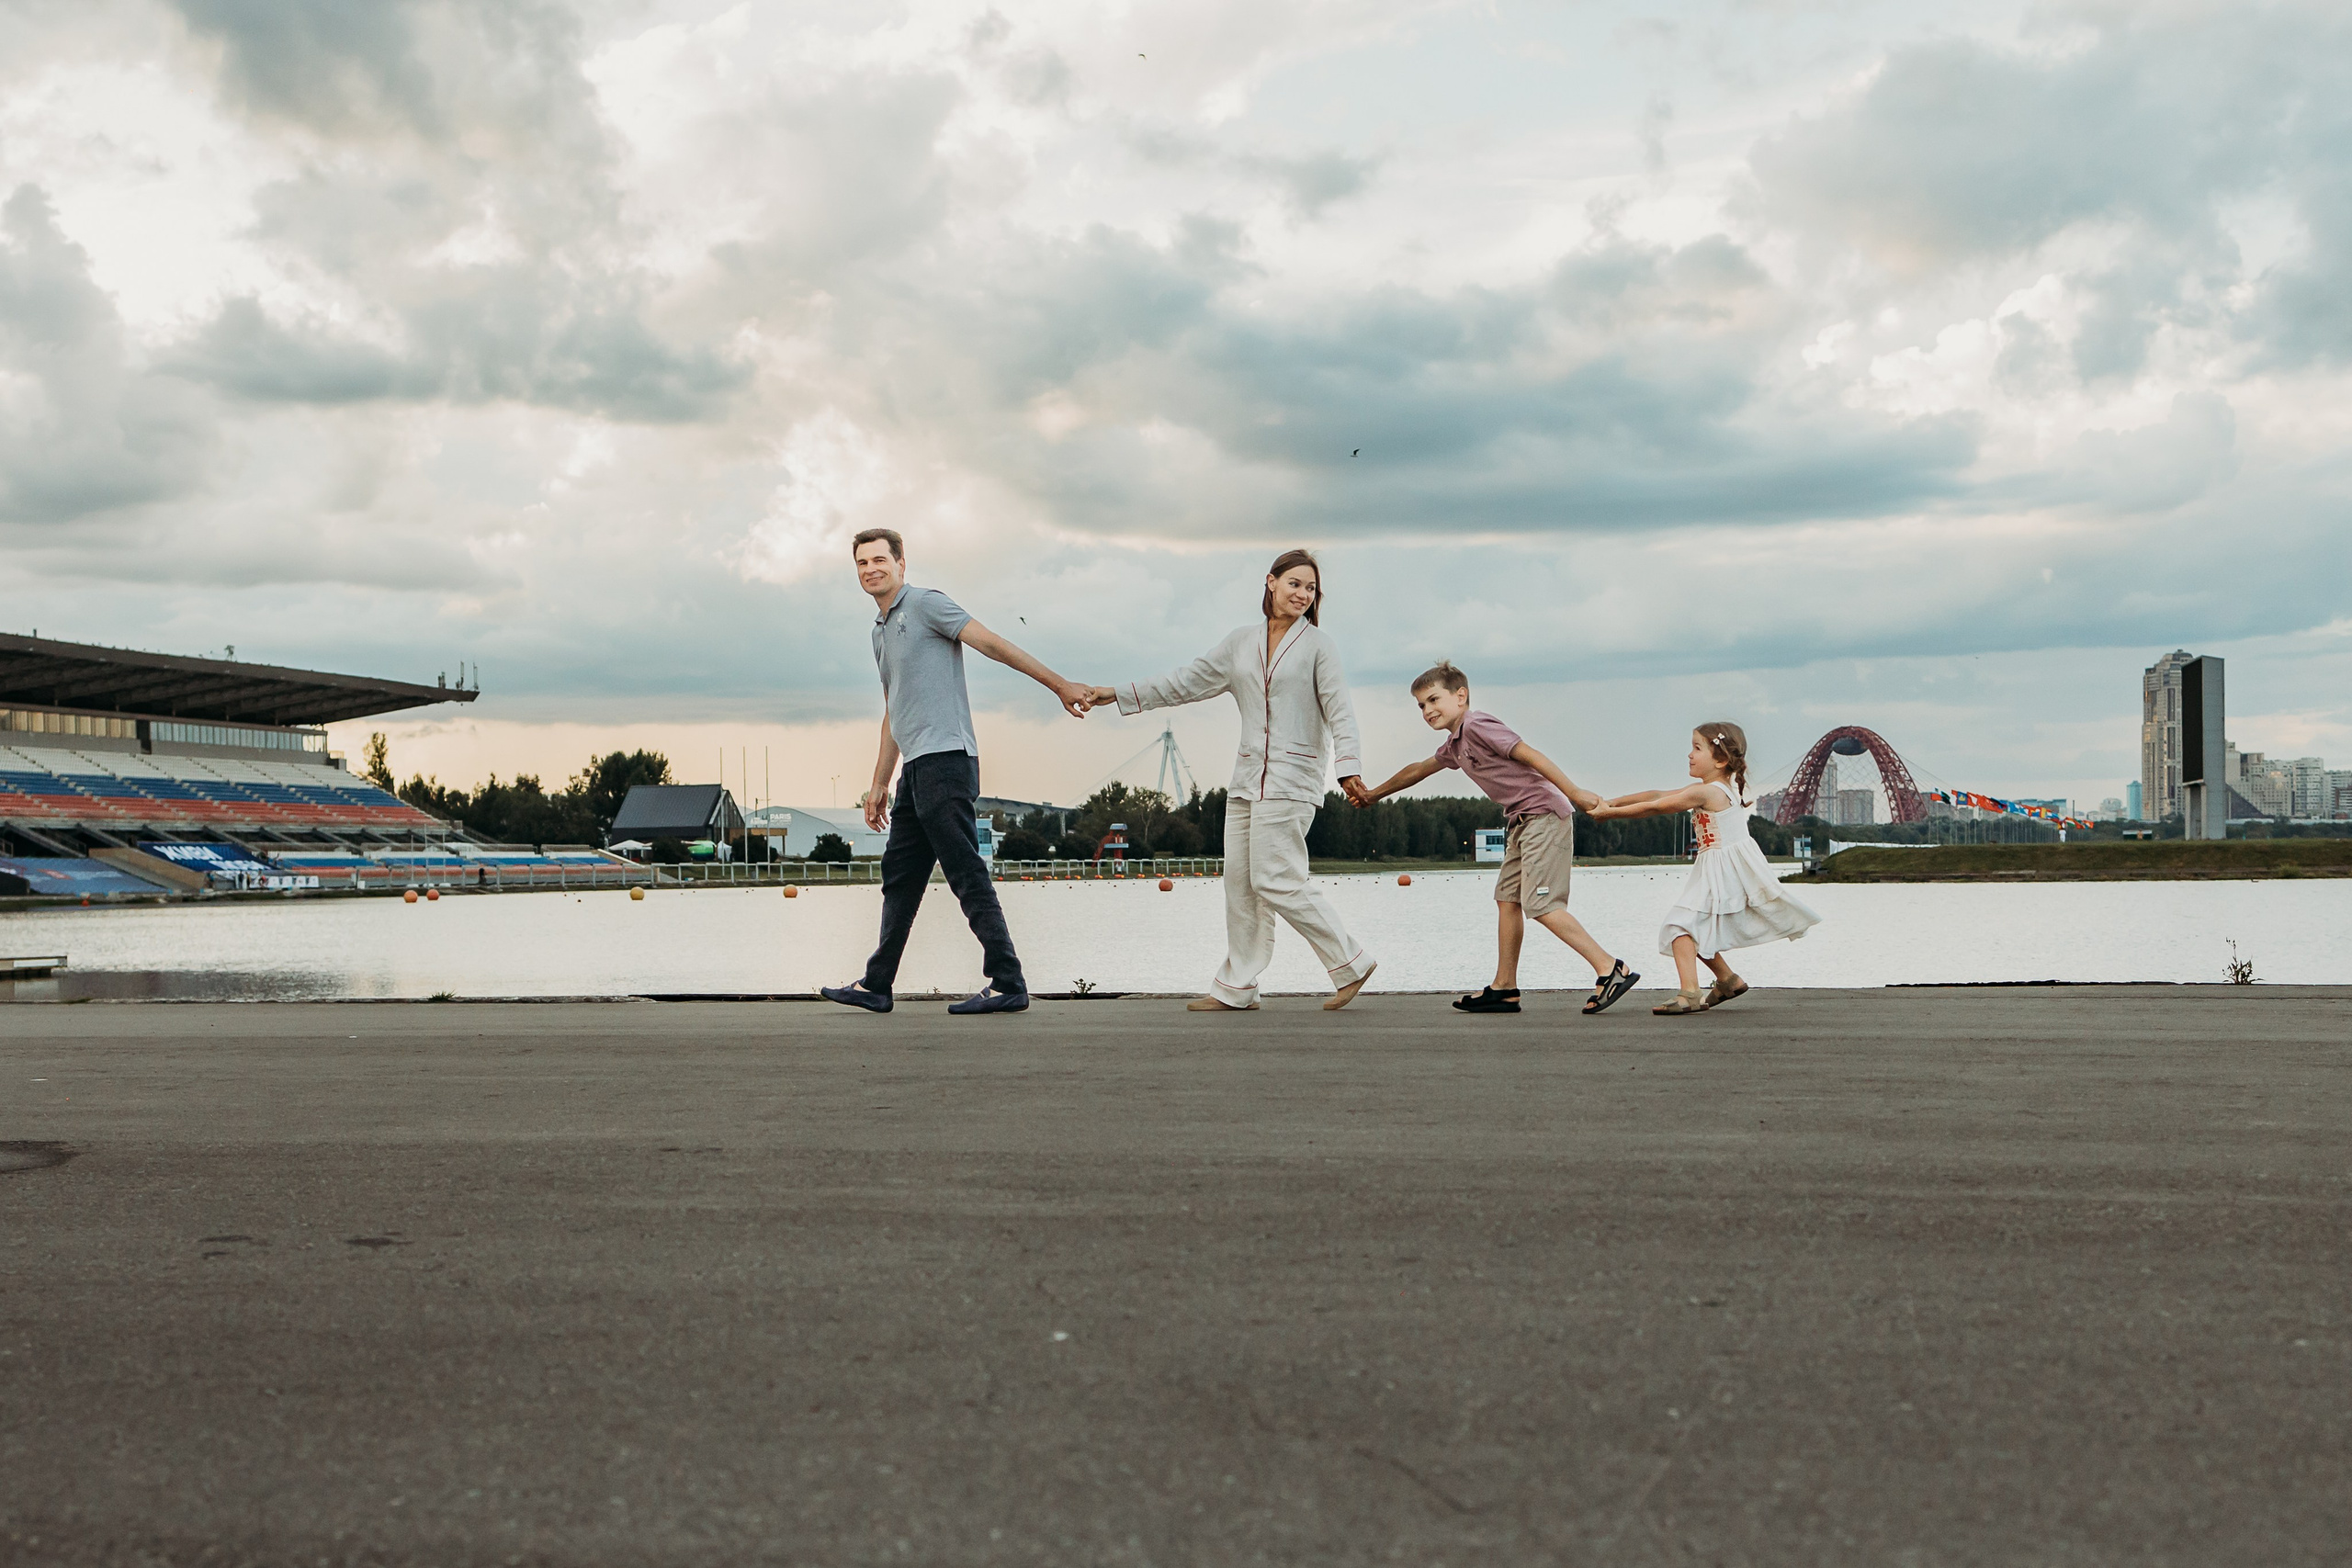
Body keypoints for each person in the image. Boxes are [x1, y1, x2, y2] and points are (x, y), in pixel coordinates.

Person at [1085, 548, 1377, 1011]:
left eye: (1311, 588)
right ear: (1271, 582)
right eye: (1295, 583)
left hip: (1292, 779)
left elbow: (1340, 710)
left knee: (1275, 877)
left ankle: (1350, 961)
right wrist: (1114, 694)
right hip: (1246, 780)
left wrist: (1349, 767)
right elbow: (1184, 681)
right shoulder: (1241, 642)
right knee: (1239, 885)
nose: (1303, 594)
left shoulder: (1320, 647)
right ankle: (1237, 987)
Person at [820, 527, 1093, 1016]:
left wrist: (1058, 685)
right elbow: (894, 709)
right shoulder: (879, 632)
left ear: (902, 563)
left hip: (947, 761)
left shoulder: (926, 605)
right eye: (862, 563)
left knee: (966, 873)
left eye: (880, 560)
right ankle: (877, 984)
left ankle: (1008, 981)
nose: (871, 570)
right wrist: (880, 782)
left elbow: (991, 644)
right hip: (916, 770)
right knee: (900, 878)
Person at [1349, 660, 1640, 1015]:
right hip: (1520, 822)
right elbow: (1419, 770)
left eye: (1433, 699)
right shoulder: (1455, 744)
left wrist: (1575, 792)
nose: (1427, 710)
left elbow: (1529, 754)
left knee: (1542, 905)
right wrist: (1374, 794)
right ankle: (1504, 988)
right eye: (1421, 705)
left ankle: (1611, 968)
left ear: (1461, 695)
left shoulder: (1477, 723)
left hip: (1544, 815)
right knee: (1507, 899)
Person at [1585, 721, 1821, 1015]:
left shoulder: (1710, 793)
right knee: (1693, 927)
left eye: (1697, 748)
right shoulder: (1714, 788)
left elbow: (1658, 807)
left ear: (1720, 759)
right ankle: (1727, 980)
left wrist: (1611, 815)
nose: (1689, 755)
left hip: (1722, 870)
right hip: (1722, 868)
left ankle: (1690, 994)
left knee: (1679, 926)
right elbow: (1657, 795)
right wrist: (1610, 802)